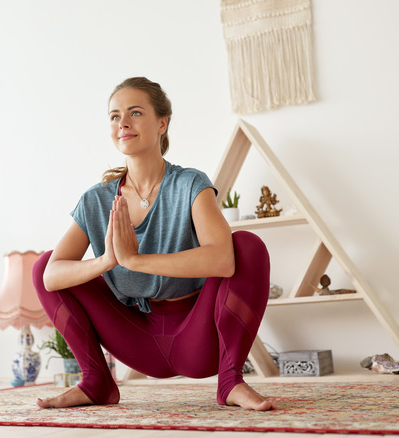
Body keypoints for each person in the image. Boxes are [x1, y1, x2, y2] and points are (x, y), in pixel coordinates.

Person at [32, 77, 275, 411]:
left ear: (162, 123)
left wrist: (134, 260)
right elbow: (50, 277)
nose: (123, 123)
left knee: (247, 246)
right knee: (43, 264)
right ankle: (96, 381)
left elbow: (223, 260)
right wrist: (106, 262)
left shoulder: (190, 184)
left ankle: (231, 381)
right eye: (115, 116)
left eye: (135, 112)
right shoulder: (96, 200)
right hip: (135, 336)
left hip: (197, 338)